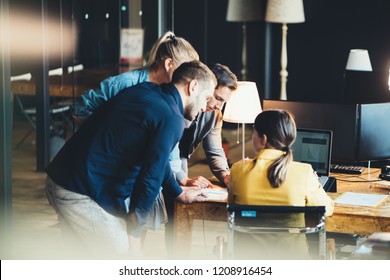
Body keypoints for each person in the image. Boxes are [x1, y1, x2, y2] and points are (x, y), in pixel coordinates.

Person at [45, 60, 217, 258]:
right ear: (193, 86)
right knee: (125, 259)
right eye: (206, 98)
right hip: (81, 192)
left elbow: (157, 160)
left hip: (61, 177)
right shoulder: (171, 117)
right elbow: (150, 175)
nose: (206, 106)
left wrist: (177, 192)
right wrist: (135, 232)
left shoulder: (147, 91)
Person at [228, 109, 334, 259]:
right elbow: (326, 209)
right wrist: (314, 184)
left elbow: (233, 205)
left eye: (254, 133)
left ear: (263, 139)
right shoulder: (304, 172)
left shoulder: (238, 171)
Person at [73, 31, 199, 123]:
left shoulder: (171, 92)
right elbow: (81, 108)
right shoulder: (126, 83)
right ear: (169, 64)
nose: (189, 76)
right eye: (186, 69)